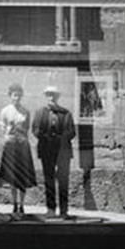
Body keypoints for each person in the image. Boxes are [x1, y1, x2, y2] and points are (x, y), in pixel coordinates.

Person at [32, 85, 76, 220]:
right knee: (49, 179)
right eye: (49, 94)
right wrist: (47, 138)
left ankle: (64, 210)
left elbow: (71, 132)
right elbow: (35, 130)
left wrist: (60, 140)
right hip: (47, 150)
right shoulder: (40, 112)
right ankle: (51, 209)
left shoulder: (66, 113)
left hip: (63, 151)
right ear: (46, 96)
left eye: (54, 95)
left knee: (63, 180)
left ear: (58, 97)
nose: (51, 97)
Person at [0, 83, 36, 218]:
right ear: (10, 96)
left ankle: (22, 205)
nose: (17, 98)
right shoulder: (5, 110)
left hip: (22, 146)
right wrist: (7, 129)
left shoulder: (25, 111)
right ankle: (14, 204)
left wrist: (21, 129)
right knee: (13, 176)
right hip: (10, 145)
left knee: (22, 176)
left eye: (19, 95)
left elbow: (27, 128)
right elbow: (1, 126)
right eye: (14, 95)